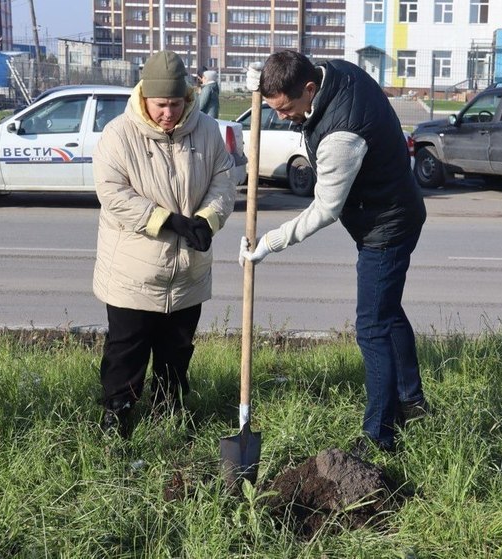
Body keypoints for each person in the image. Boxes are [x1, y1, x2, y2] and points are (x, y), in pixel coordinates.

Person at [240, 50, 428, 453]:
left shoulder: (342, 136)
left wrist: (268, 244)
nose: (282, 117)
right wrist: (264, 78)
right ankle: (412, 402)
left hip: (386, 226)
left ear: (309, 89)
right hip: (390, 208)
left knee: (371, 326)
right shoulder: (333, 73)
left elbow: (324, 209)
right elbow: (288, 78)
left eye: (286, 108)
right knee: (387, 311)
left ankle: (380, 436)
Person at [92, 50, 236, 436]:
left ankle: (168, 412)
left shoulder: (206, 130)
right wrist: (166, 220)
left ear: (187, 97)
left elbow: (224, 181)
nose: (168, 113)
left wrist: (208, 219)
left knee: (177, 351)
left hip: (188, 271)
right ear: (144, 98)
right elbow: (113, 193)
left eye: (175, 104)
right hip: (133, 273)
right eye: (160, 105)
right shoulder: (119, 134)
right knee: (126, 351)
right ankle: (117, 416)